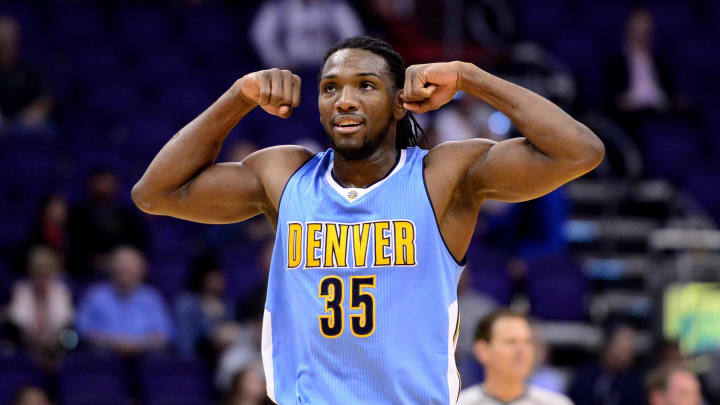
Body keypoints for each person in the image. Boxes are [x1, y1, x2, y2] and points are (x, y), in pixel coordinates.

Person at [131, 36, 604, 403]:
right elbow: (155, 193)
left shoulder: (441, 177)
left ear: (400, 103)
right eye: (330, 87)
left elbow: (579, 152)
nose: (345, 100)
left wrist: (469, 77)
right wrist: (237, 97)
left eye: (366, 86)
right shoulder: (284, 175)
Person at [457, 309, 573, 405]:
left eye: (528, 342)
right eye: (510, 342)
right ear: (482, 350)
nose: (522, 350)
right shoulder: (460, 403)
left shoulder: (558, 403)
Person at [75, 245, 172, 356]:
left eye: (131, 267)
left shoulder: (152, 298)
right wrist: (113, 343)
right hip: (103, 361)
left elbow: (164, 335)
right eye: (122, 267)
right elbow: (81, 329)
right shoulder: (95, 296)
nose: (126, 270)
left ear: (142, 270)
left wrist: (136, 345)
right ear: (112, 269)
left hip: (144, 360)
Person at [7, 246, 73, 368]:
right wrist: (34, 341)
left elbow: (66, 323)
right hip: (25, 348)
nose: (42, 280)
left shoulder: (61, 291)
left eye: (46, 275)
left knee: (71, 339)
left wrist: (50, 342)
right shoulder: (21, 290)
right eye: (38, 275)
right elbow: (16, 322)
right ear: (31, 273)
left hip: (54, 350)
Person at [569, 322, 647, 405]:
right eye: (624, 348)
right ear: (609, 345)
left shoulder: (636, 382)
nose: (629, 353)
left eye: (631, 348)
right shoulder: (586, 376)